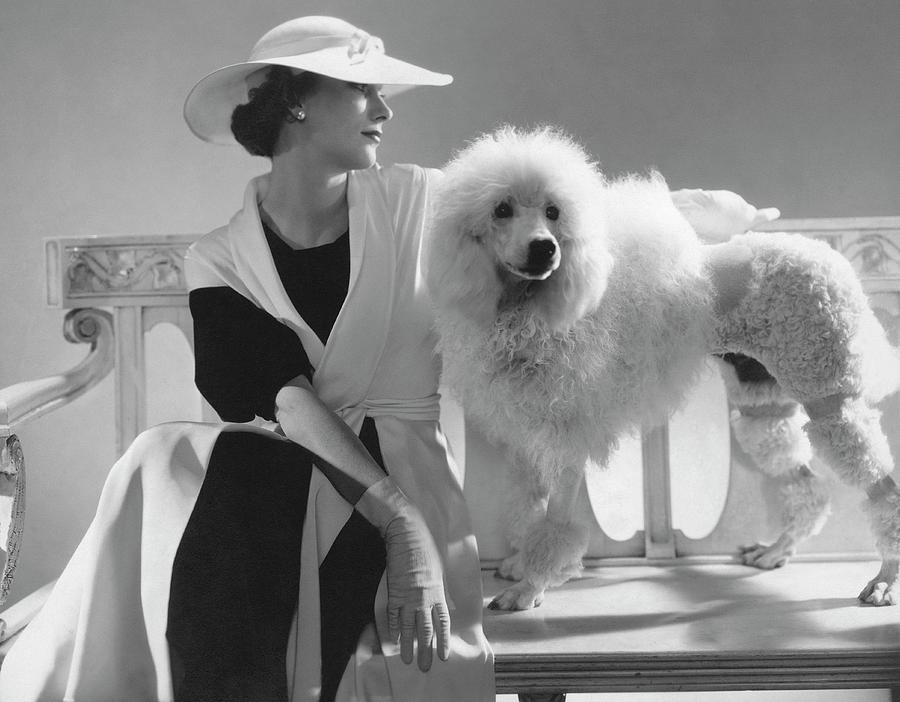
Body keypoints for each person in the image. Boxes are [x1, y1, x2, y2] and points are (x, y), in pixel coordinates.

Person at [0, 15, 494, 702]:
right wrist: (396, 517)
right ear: (295, 101)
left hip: (407, 476)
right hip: (286, 491)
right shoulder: (220, 258)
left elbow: (569, 215)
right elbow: (278, 393)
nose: (384, 110)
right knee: (168, 459)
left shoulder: (426, 203)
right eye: (362, 90)